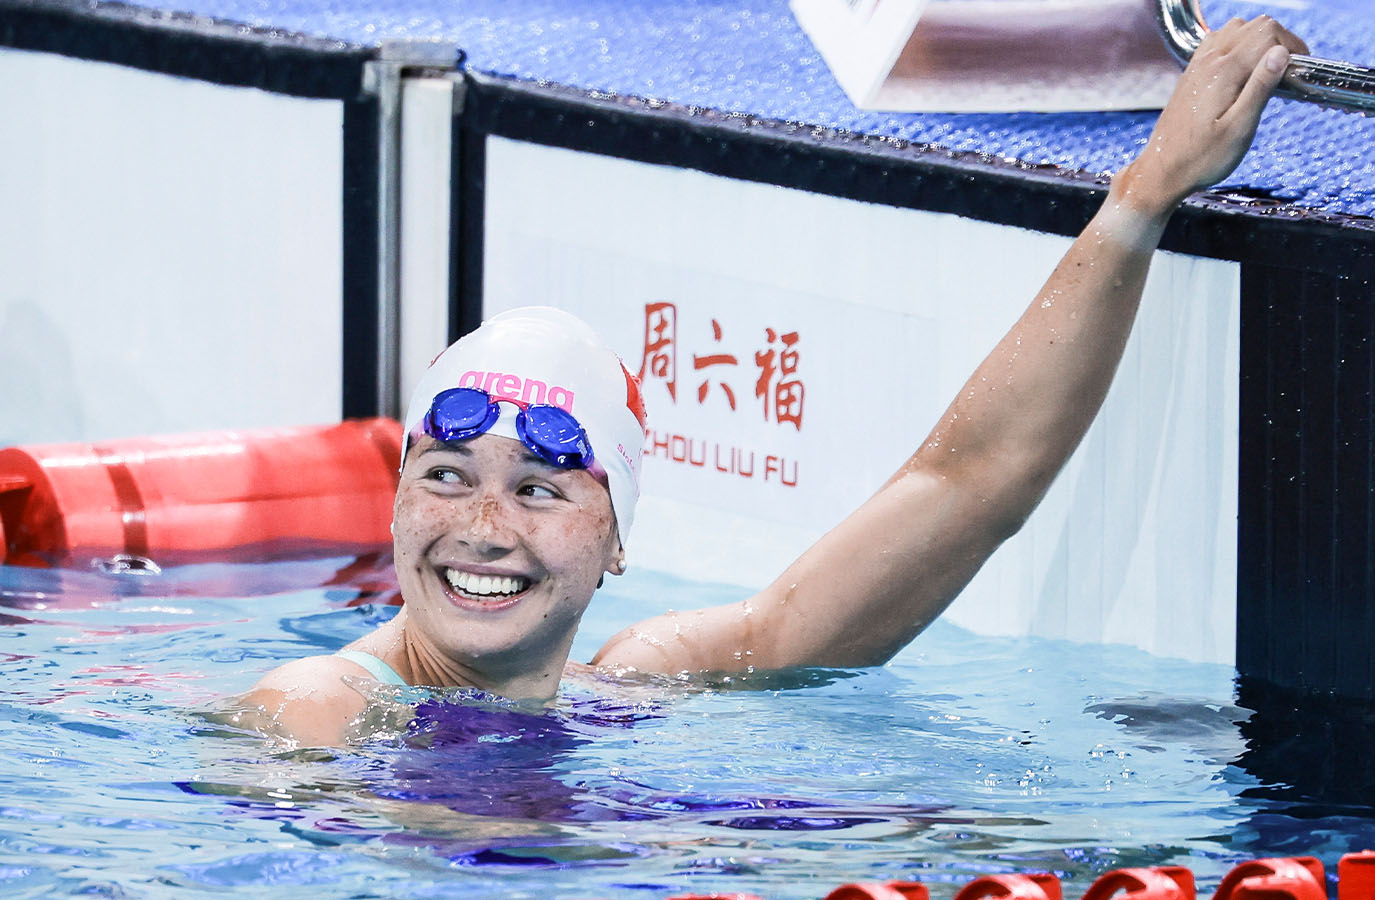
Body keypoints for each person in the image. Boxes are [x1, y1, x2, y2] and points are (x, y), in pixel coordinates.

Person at [240, 17, 1309, 746]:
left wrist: (1144, 193)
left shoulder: (639, 685)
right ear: (392, 504)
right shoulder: (321, 714)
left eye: (538, 487)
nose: (481, 524)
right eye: (445, 474)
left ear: (618, 541)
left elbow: (966, 488)